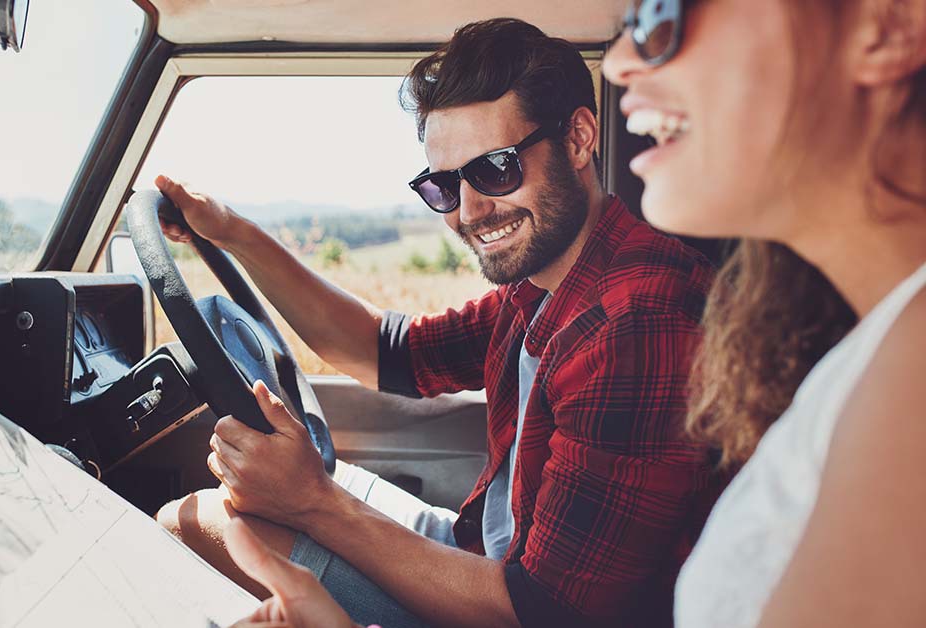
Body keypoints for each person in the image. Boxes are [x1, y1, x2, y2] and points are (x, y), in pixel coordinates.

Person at [158, 18, 722, 628]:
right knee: (264, 494)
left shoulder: (634, 323)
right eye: (445, 186)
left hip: (512, 606)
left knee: (193, 523)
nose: (470, 212)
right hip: (487, 556)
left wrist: (313, 504)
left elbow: (545, 612)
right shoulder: (542, 283)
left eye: (496, 169)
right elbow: (386, 351)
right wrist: (235, 233)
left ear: (580, 139)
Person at [601, 0, 926, 626]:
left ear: (887, 25)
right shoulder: (876, 349)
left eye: (660, 12)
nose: (618, 62)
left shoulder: (915, 374)